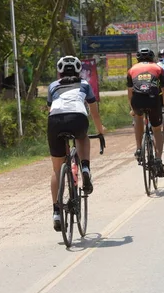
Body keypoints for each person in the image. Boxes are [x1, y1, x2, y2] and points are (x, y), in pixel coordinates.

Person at [47, 56, 106, 232]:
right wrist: (100, 130)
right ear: (79, 70)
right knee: (82, 137)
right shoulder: (85, 85)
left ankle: (57, 212)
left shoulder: (52, 86)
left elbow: (51, 108)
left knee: (57, 169)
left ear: (60, 71)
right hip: (78, 118)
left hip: (55, 121)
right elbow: (94, 112)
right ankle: (85, 168)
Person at [127, 47, 164, 177]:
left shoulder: (131, 70)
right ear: (152, 58)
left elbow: (130, 94)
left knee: (138, 118)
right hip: (153, 99)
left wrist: (132, 109)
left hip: (137, 100)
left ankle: (139, 149)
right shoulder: (158, 69)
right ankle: (158, 159)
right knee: (157, 129)